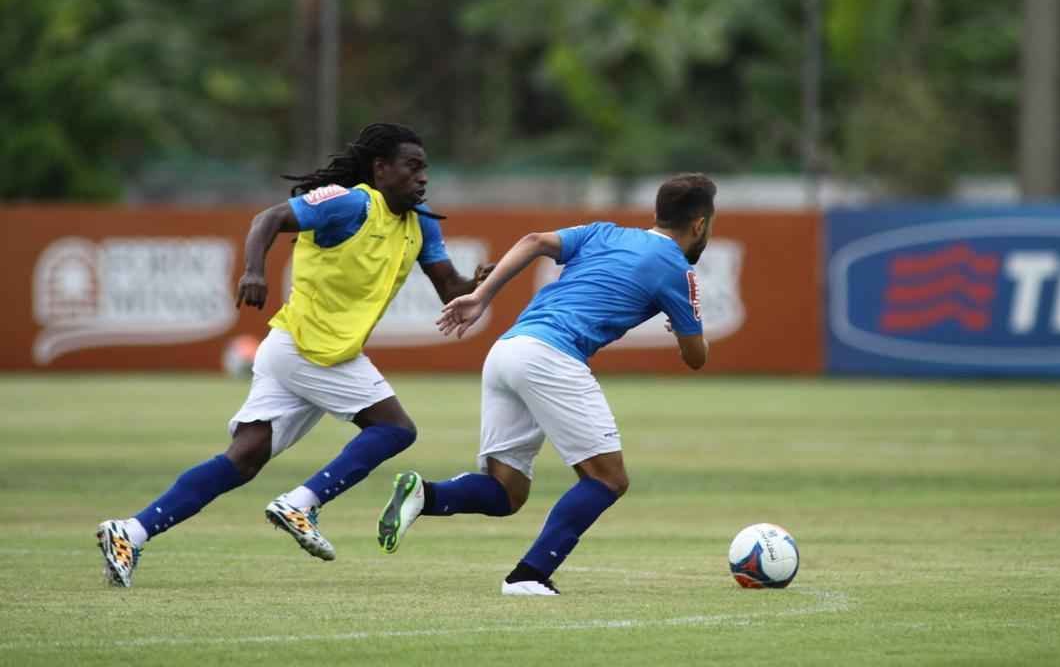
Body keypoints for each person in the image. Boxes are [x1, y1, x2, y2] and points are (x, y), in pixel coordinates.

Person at [96, 123, 493, 588]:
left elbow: (449, 287)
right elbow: (267, 219)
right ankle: (301, 504)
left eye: (425, 168)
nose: (423, 177)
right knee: (395, 429)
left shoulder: (419, 221)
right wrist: (253, 270)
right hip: (311, 347)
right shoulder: (351, 203)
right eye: (412, 166)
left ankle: (130, 532)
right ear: (380, 169)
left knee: (244, 458)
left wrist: (478, 284)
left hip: (299, 350)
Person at [376, 173, 715, 595]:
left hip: (507, 350)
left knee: (506, 492)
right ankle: (528, 576)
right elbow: (696, 357)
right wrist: (682, 328)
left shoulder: (605, 232)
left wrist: (481, 297)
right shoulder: (678, 271)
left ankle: (424, 496)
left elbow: (534, 241)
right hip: (551, 358)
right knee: (607, 479)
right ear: (699, 224)